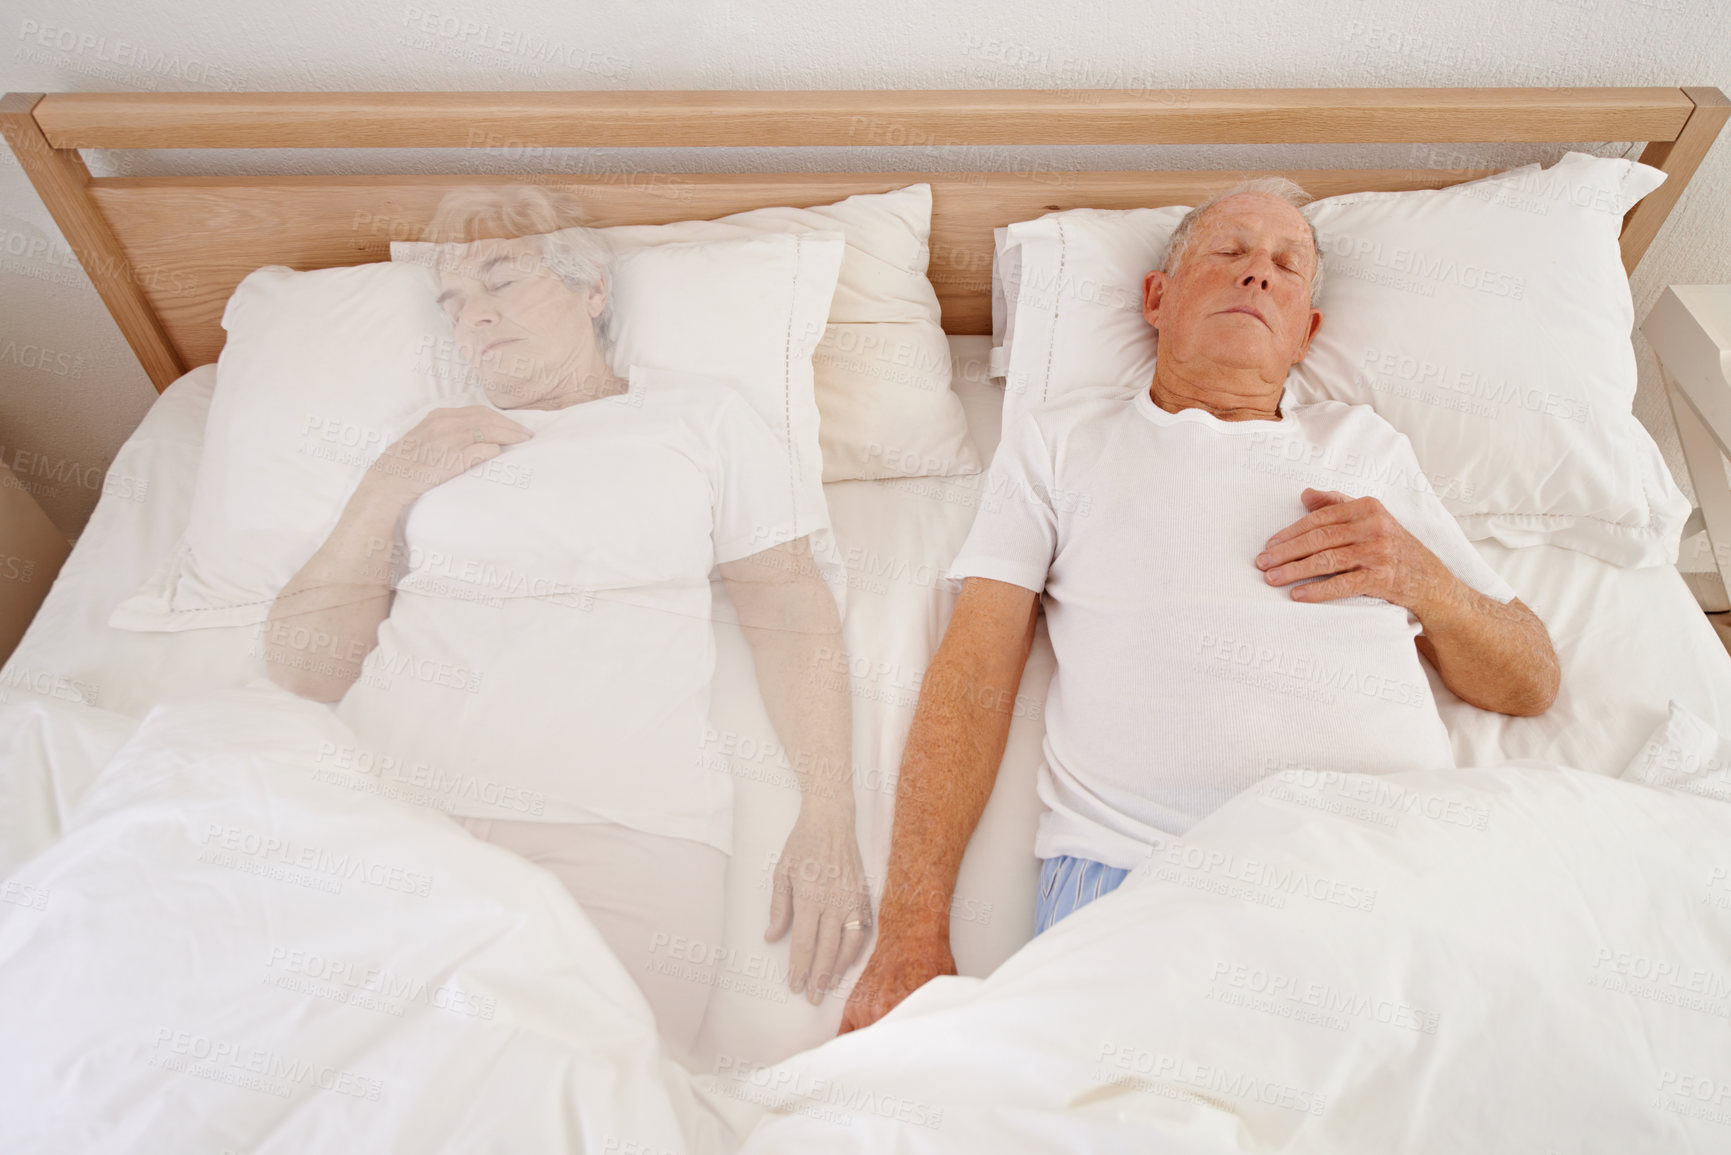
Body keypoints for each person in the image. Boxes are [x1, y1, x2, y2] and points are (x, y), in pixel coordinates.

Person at [838, 177, 1560, 1034]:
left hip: (1388, 868)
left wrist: (1422, 582)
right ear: (1156, 297)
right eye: (1228, 251)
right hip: (1144, 873)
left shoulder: (1365, 449)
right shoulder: (1059, 438)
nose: (1258, 273)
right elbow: (973, 668)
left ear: (1306, 334)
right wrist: (909, 933)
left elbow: (1530, 680)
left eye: (1287, 266)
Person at [262, 186, 872, 1061]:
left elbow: (787, 606)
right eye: (455, 304)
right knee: (334, 1078)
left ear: (592, 290)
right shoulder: (427, 444)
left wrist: (826, 815)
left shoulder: (698, 422)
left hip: (626, 829)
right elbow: (297, 671)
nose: (474, 318)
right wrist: (385, 486)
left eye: (502, 280)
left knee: (580, 1090)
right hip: (398, 806)